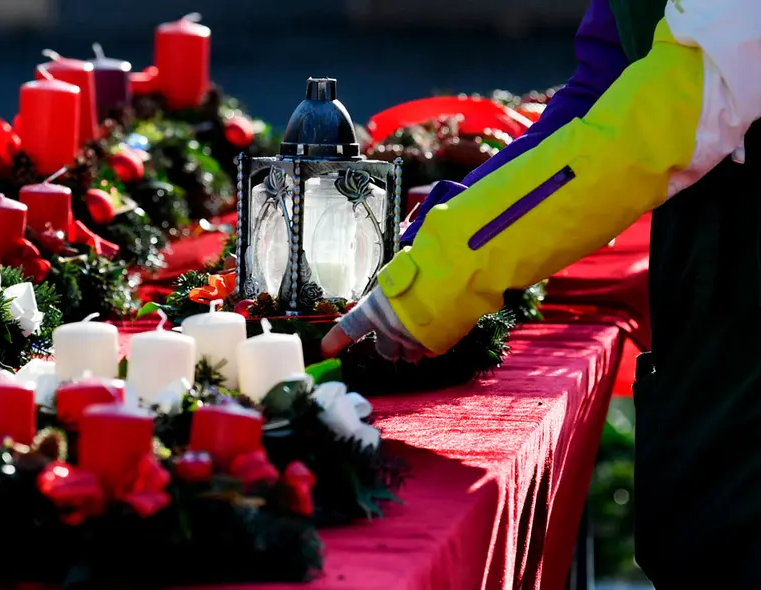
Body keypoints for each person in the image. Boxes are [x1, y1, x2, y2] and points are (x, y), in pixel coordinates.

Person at [322, 0, 761, 586]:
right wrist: (425, 236)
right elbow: (600, 93)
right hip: (711, 284)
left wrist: (433, 280)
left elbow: (658, 119)